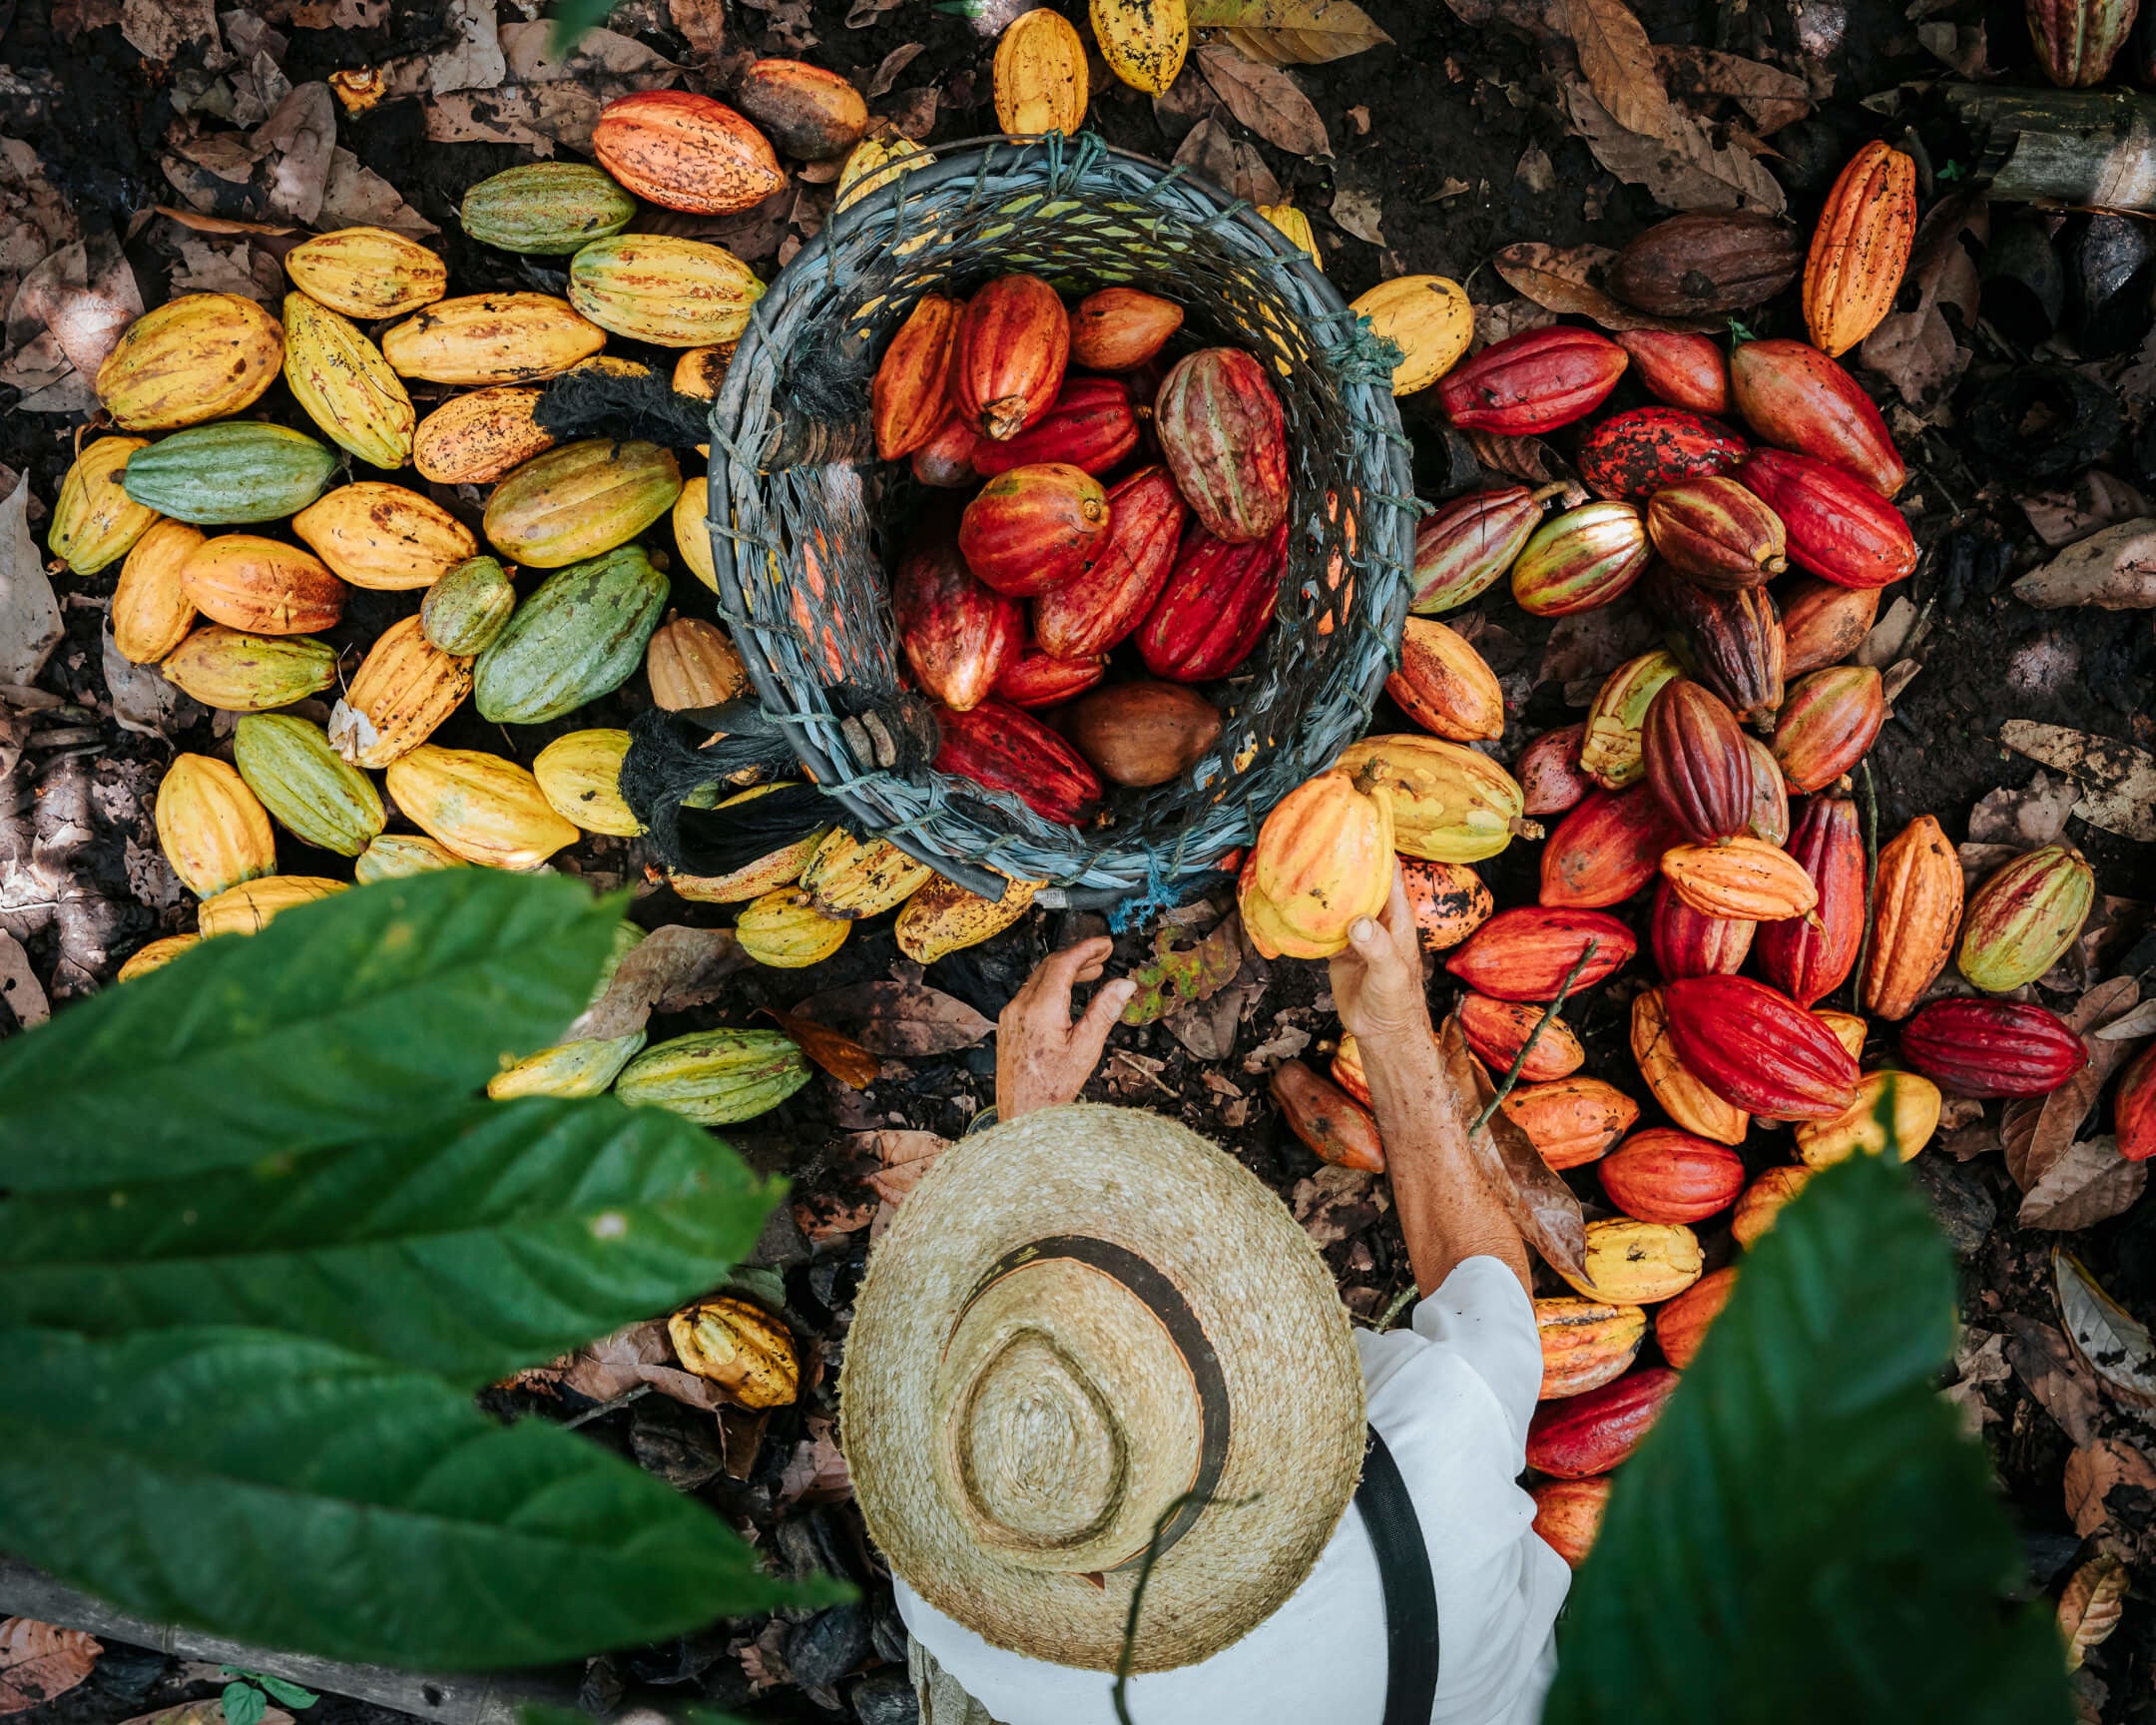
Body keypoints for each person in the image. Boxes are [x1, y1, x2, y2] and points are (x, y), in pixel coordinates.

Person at [839, 863, 1567, 1725]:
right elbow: (1487, 1300)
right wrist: (1397, 1029)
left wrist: (1024, 1141)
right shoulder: (1425, 1452)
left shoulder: (972, 1628)